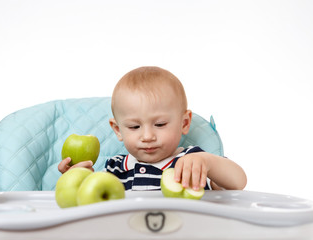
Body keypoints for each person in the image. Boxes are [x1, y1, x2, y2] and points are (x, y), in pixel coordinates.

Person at [58, 66, 247, 191]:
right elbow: (93, 212)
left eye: (160, 124)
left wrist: (207, 162)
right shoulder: (114, 170)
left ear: (184, 123)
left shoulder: (192, 162)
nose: (147, 136)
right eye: (134, 126)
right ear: (117, 130)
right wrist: (79, 178)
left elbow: (238, 183)